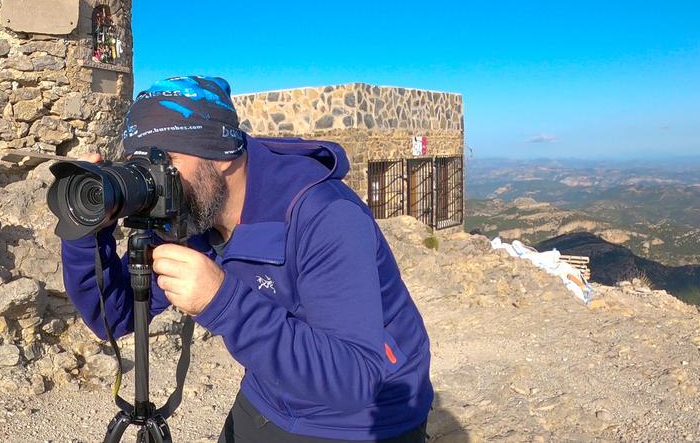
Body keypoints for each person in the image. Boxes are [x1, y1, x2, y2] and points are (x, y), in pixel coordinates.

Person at [60, 76, 433, 442]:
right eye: (137, 165)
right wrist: (89, 232)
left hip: (363, 420)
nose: (154, 181)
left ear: (221, 156)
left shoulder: (326, 215)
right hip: (269, 395)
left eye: (165, 160)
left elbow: (356, 379)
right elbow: (118, 315)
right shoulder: (192, 212)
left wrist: (223, 302)